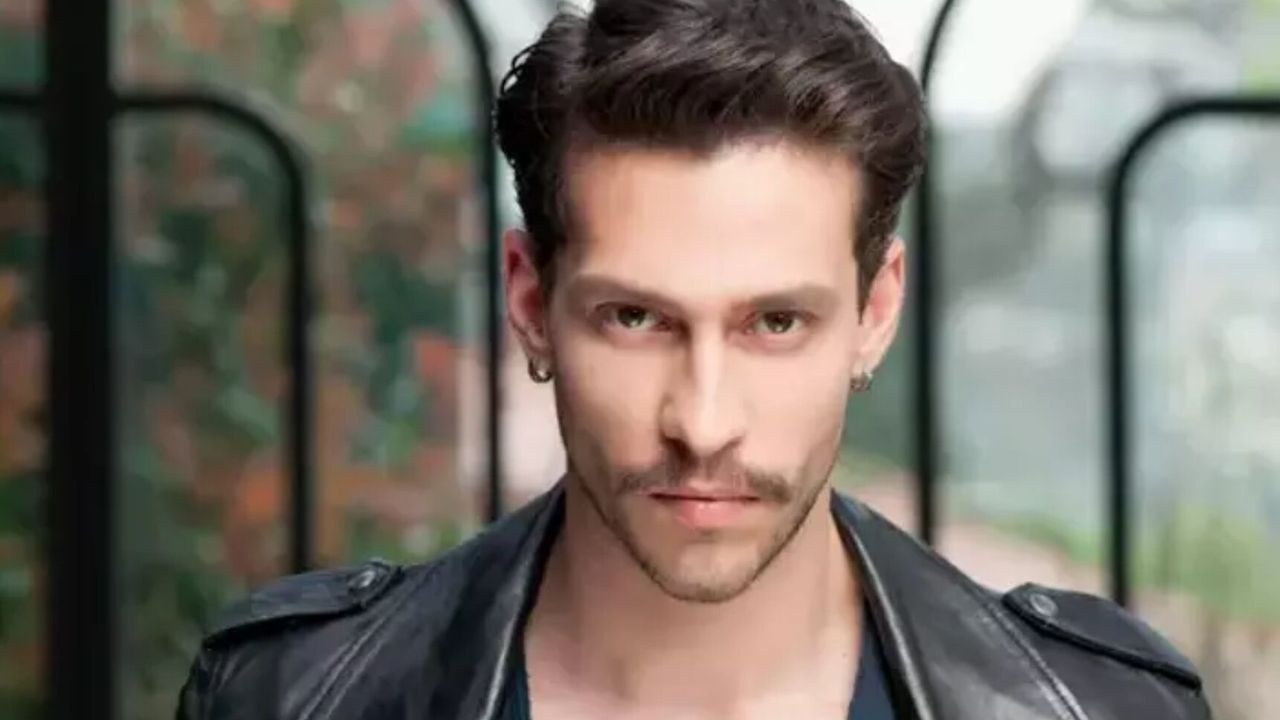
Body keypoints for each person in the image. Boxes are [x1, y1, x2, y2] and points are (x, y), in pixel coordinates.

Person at [176, 1, 1213, 718]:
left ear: (874, 312)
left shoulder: (1101, 709)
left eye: (775, 324)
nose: (703, 422)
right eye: (635, 318)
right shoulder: (291, 699)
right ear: (530, 304)